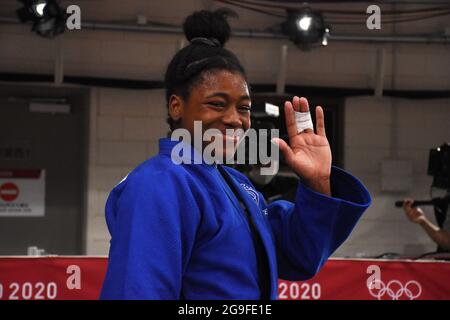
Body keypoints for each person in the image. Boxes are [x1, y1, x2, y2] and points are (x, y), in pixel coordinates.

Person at [99, 9, 371, 300]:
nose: (234, 119)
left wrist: (318, 182)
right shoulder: (159, 183)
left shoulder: (237, 184)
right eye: (217, 104)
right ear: (176, 107)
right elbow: (137, 292)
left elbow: (299, 257)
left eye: (243, 108)